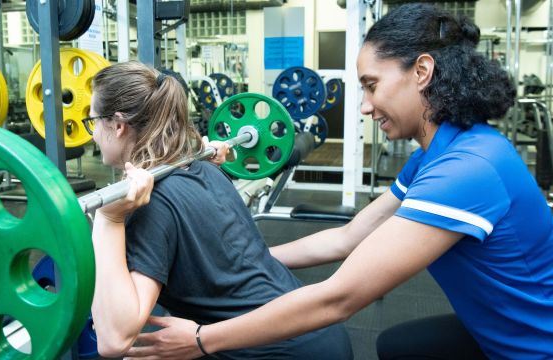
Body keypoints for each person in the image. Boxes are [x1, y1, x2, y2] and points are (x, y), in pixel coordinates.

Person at [123, 4, 553, 360]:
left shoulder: (468, 170)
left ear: (422, 71)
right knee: (397, 346)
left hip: (534, 348)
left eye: (371, 86)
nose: (364, 106)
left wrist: (201, 340)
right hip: (491, 328)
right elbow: (347, 239)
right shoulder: (437, 155)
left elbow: (339, 299)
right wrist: (245, 260)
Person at [87, 61, 353, 359]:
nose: (94, 134)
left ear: (119, 125)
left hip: (282, 350)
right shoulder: (204, 168)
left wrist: (108, 218)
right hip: (316, 331)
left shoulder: (151, 204)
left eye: (93, 121)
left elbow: (113, 340)